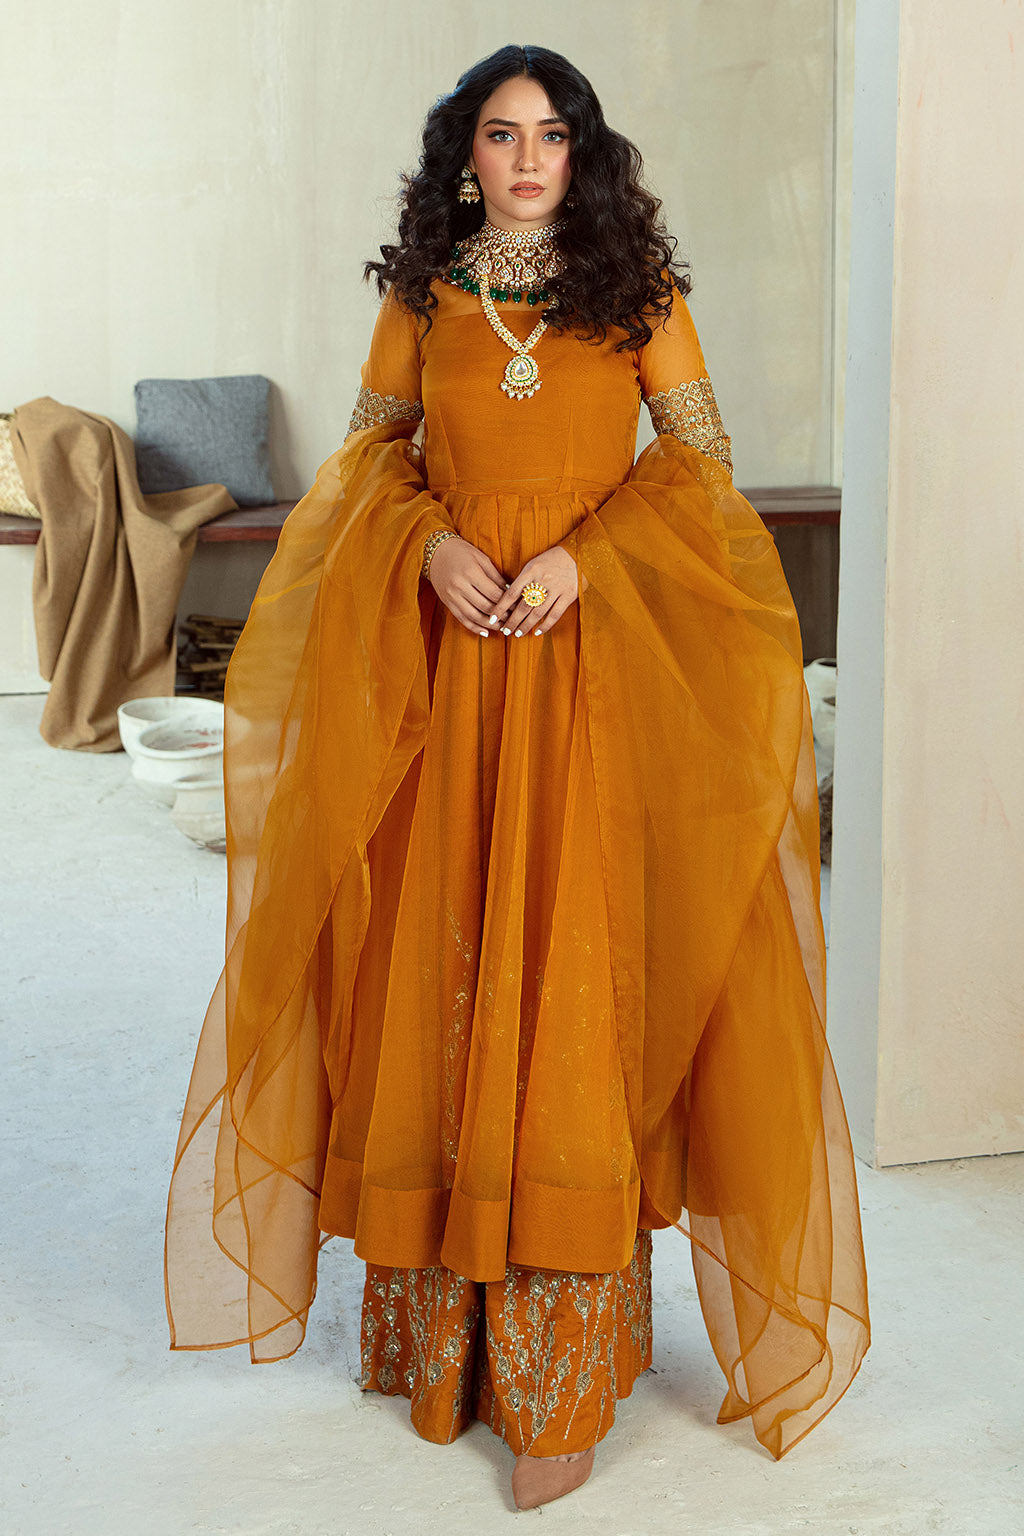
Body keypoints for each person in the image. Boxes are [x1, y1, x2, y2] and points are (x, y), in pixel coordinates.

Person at [164, 44, 870, 1512]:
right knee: (440, 969)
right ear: (464, 155)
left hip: (582, 678)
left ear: (584, 153)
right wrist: (428, 544)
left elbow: (700, 469)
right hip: (444, 678)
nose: (530, 157)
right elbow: (362, 471)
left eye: (554, 134)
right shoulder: (423, 298)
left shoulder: (637, 293)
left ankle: (559, 1373)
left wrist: (580, 558)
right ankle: (445, 1347)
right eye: (503, 134)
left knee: (570, 979)